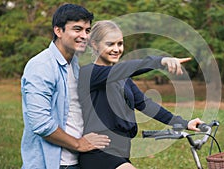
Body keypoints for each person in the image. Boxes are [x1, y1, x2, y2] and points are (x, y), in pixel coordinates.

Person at [78, 20, 203, 169]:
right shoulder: (88, 74)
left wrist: (184, 123)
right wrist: (160, 61)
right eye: (110, 44)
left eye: (120, 44)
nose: (117, 49)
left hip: (122, 152)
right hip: (99, 153)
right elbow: (126, 68)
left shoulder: (124, 79)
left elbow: (146, 105)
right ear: (94, 44)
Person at [20, 4, 110, 169]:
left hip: (79, 160)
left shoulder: (74, 64)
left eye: (87, 30)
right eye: (77, 29)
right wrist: (78, 144)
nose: (84, 36)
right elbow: (41, 123)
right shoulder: (41, 66)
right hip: (55, 163)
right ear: (58, 31)